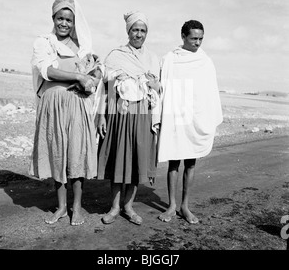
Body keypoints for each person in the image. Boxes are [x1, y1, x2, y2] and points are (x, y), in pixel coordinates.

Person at [29, 0, 101, 226]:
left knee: (76, 155)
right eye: (60, 18)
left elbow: (96, 73)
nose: (64, 24)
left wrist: (92, 77)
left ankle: (76, 207)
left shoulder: (82, 47)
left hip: (77, 104)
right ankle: (61, 207)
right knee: (58, 154)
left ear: (74, 22)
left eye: (69, 20)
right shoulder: (44, 42)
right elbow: (46, 70)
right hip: (53, 106)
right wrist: (78, 75)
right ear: (53, 18)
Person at [96, 11, 161, 225]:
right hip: (119, 113)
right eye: (135, 30)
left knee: (136, 159)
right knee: (118, 159)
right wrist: (103, 116)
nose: (139, 34)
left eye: (143, 30)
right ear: (128, 31)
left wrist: (155, 85)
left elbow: (159, 88)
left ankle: (128, 206)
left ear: (146, 33)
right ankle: (114, 207)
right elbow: (104, 88)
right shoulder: (115, 55)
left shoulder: (152, 59)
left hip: (142, 114)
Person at [157, 20, 223, 224]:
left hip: (196, 113)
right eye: (194, 38)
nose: (198, 43)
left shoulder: (205, 60)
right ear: (183, 37)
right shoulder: (171, 58)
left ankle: (185, 206)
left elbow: (209, 91)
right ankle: (172, 206)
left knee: (191, 162)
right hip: (177, 112)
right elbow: (163, 85)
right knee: (174, 161)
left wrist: (208, 117)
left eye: (201, 38)